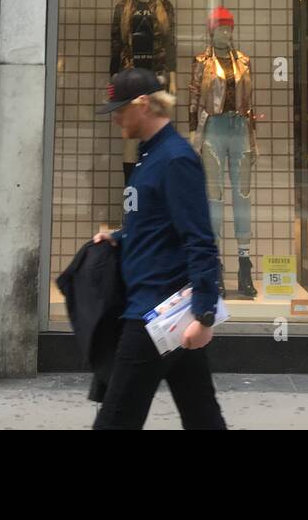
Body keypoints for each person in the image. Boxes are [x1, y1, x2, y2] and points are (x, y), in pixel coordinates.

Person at [91, 67, 226, 430]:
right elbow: (154, 224)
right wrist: (119, 238)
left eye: (121, 107)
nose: (116, 116)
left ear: (144, 104)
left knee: (115, 421)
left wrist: (204, 314)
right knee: (202, 417)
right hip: (166, 314)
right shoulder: (149, 157)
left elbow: (198, 238)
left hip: (155, 316)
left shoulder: (175, 159)